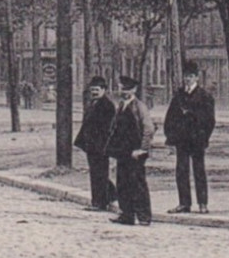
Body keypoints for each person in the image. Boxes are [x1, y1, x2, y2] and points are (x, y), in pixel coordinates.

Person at [163, 60, 216, 214]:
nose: (188, 79)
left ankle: (202, 203)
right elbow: (170, 118)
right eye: (186, 76)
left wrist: (203, 137)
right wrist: (171, 137)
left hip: (197, 140)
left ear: (197, 78)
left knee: (199, 171)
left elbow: (210, 121)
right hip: (182, 141)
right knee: (181, 171)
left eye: (191, 76)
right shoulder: (179, 96)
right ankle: (184, 203)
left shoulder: (204, 96)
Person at [105, 74, 153, 226]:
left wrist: (142, 149)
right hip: (123, 152)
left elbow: (148, 129)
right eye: (122, 89)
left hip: (136, 152)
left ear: (134, 90)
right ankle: (127, 214)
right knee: (122, 183)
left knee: (138, 184)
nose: (124, 92)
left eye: (127, 89)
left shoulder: (139, 107)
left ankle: (144, 216)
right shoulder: (121, 106)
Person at [73, 74, 117, 211]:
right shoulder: (93, 103)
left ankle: (99, 203)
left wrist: (103, 145)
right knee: (96, 173)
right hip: (91, 145)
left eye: (97, 90)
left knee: (99, 173)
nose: (94, 92)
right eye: (92, 90)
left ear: (104, 90)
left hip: (100, 146)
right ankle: (110, 195)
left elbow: (107, 129)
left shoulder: (107, 106)